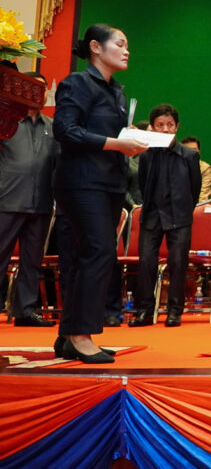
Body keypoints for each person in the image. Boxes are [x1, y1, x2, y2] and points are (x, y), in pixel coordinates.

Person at [52, 24, 148, 363]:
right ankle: (82, 335)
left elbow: (107, 135)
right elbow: (65, 130)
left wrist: (127, 138)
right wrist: (116, 143)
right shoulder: (77, 83)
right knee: (98, 252)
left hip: (109, 182)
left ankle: (69, 335)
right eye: (120, 44)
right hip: (82, 181)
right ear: (95, 47)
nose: (126, 51)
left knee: (89, 256)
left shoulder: (116, 92)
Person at [129, 104, 201, 327]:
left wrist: (184, 208)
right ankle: (144, 311)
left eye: (170, 125)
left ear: (177, 126)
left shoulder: (189, 155)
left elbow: (195, 188)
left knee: (178, 262)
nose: (165, 129)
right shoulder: (146, 156)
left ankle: (174, 311)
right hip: (152, 215)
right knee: (146, 262)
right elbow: (142, 184)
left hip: (179, 216)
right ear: (152, 127)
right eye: (160, 125)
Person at [0, 71, 59, 327]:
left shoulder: (53, 127)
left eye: (43, 90)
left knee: (32, 261)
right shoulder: (6, 122)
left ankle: (24, 311)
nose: (39, 94)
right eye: (34, 88)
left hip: (41, 203)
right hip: (7, 200)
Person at [181, 136, 211, 201]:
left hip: (197, 205)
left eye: (194, 150)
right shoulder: (174, 166)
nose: (191, 153)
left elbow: (203, 195)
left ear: (199, 152)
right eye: (187, 150)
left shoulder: (205, 168)